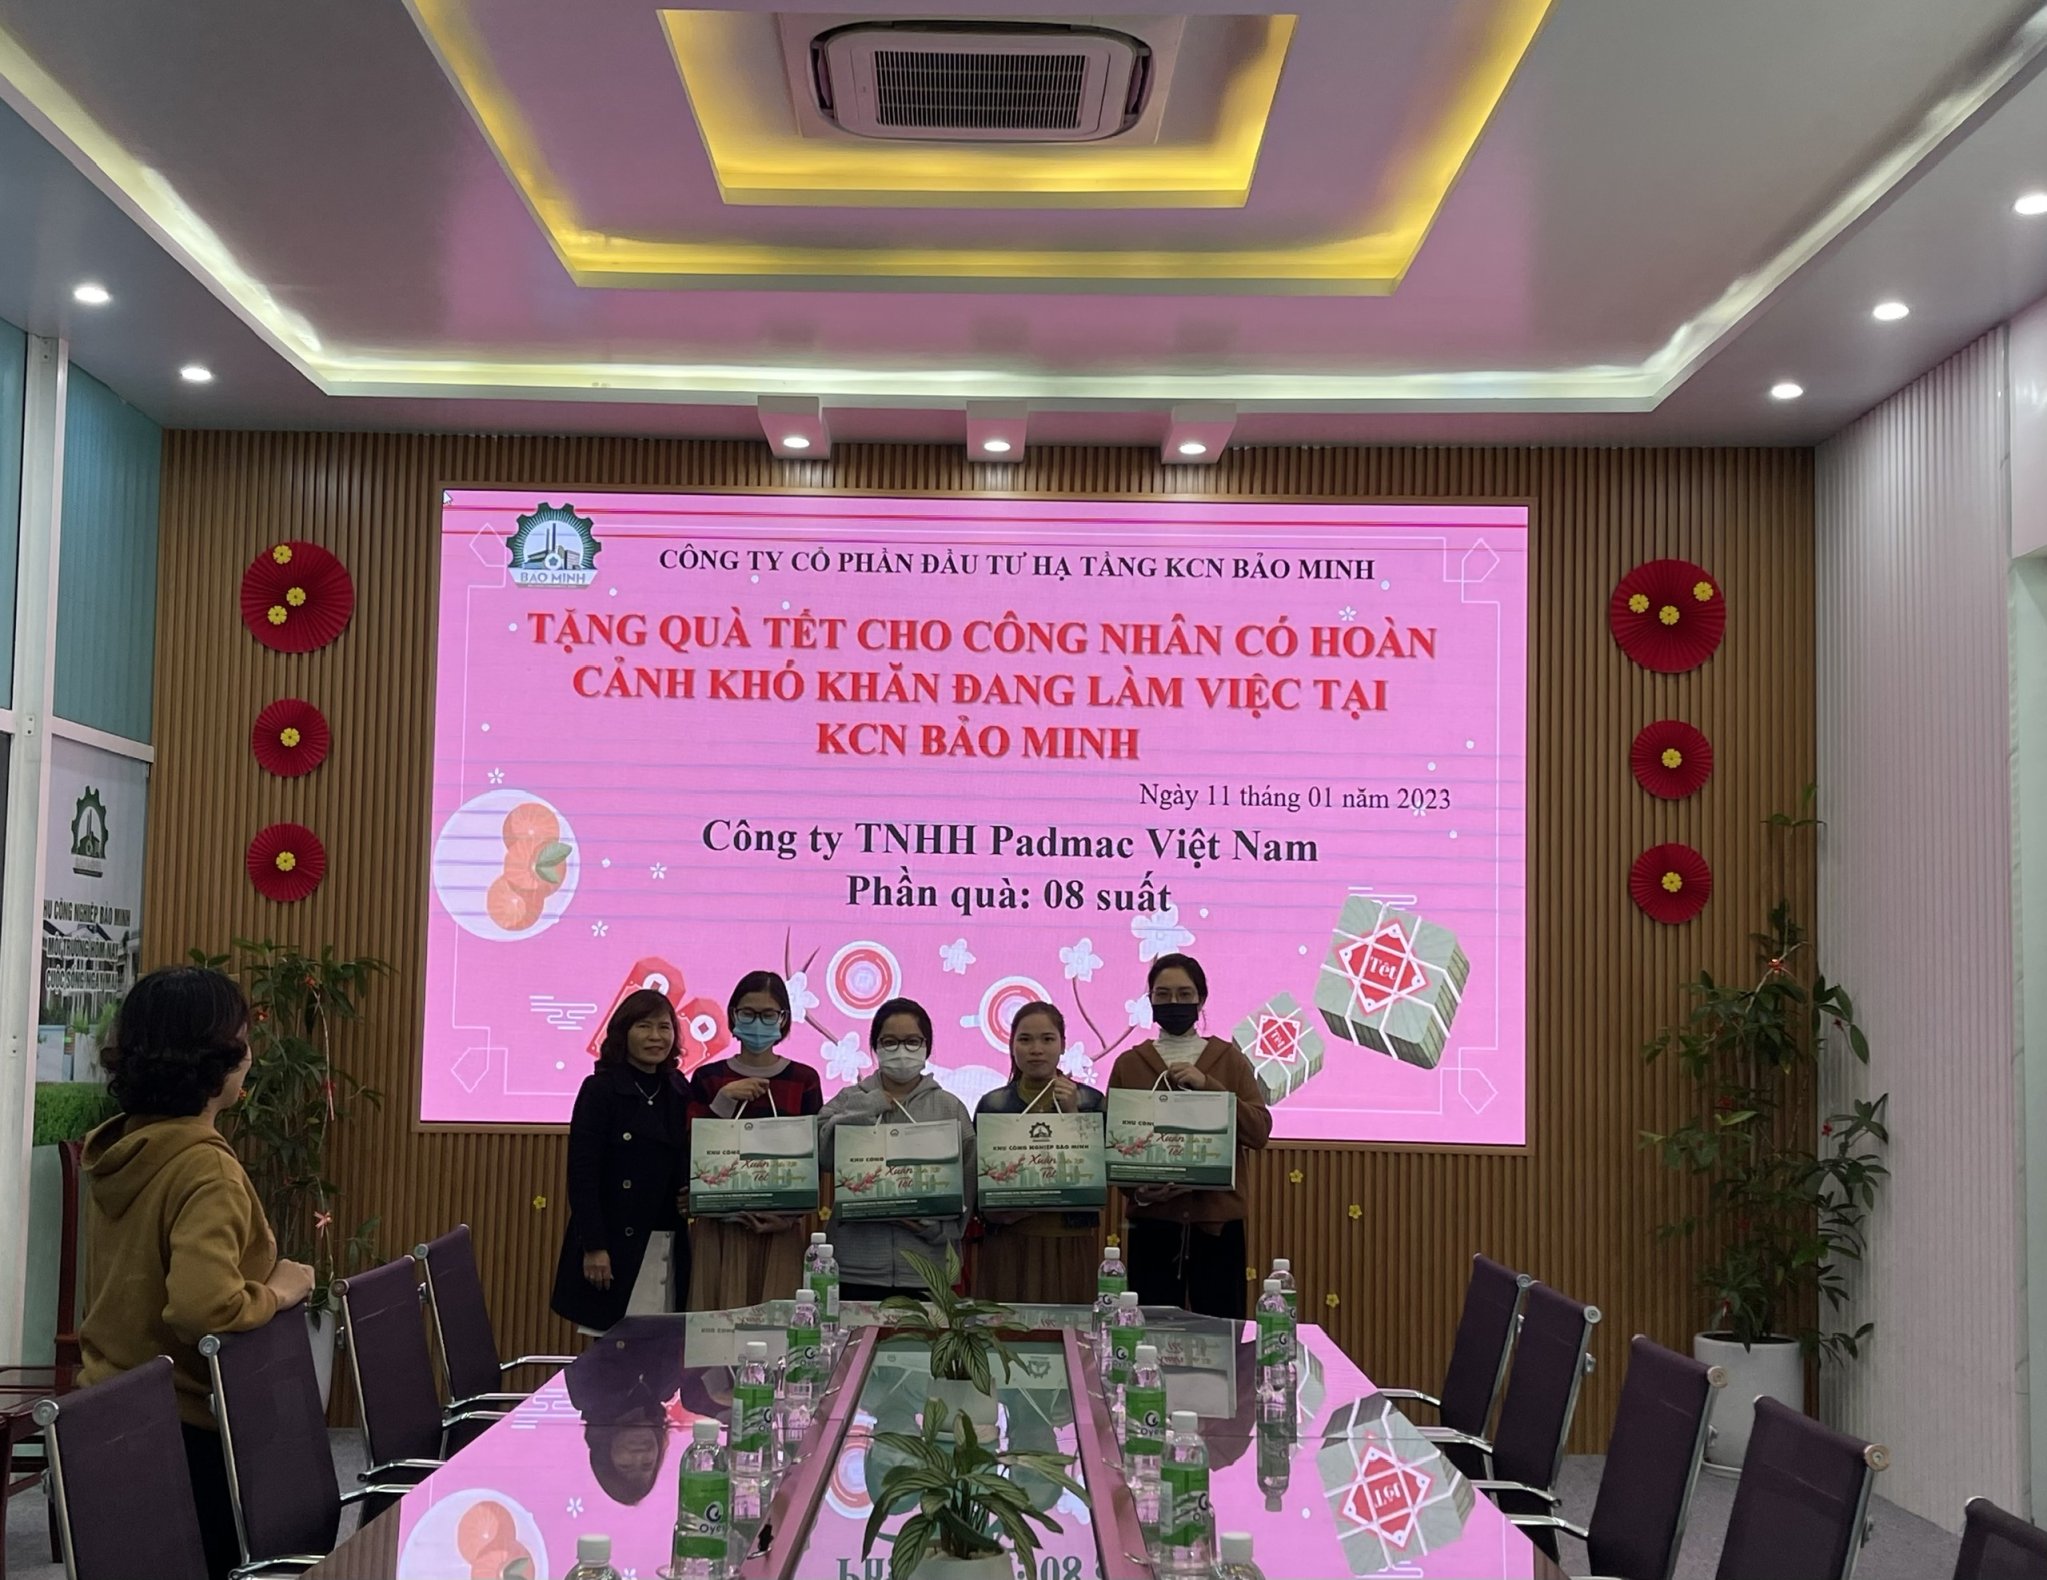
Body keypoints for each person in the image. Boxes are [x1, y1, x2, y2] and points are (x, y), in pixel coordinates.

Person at [78, 966, 317, 1580]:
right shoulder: (204, 1168)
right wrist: (278, 1291)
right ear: (216, 1059)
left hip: (111, 1412)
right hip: (186, 1433)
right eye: (243, 1038)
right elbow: (204, 1309)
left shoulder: (123, 1148)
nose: (251, 1054)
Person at [1106, 952, 1271, 1319]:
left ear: (1201, 999)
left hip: (1217, 1229)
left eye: (1184, 994)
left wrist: (1210, 1088)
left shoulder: (1229, 1059)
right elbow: (1114, 1145)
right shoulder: (1129, 1065)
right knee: (1151, 1334)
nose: (1174, 1003)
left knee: (1221, 1335)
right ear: (1149, 999)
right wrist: (1139, 1192)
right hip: (1152, 1228)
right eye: (1162, 995)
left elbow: (1259, 1131)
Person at [551, 989, 691, 1335]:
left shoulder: (678, 1089)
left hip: (666, 1239)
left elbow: (689, 1156)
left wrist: (694, 1194)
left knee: (661, 1346)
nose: (656, 1036)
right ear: (622, 1033)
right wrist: (594, 1246)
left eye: (664, 1027)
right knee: (614, 1349)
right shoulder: (600, 1090)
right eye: (644, 1026)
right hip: (614, 1242)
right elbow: (582, 1174)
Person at [818, 997, 973, 1300]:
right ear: (875, 1047)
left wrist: (937, 1229)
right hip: (854, 1267)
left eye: (912, 1041)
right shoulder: (849, 1099)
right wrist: (869, 1106)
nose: (901, 1050)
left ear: (927, 1047)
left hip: (928, 1268)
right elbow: (822, 1156)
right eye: (890, 1042)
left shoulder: (949, 1107)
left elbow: (968, 1183)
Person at [684, 971, 823, 1310]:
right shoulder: (708, 1077)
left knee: (780, 1326)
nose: (757, 1022)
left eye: (768, 1014)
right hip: (718, 1230)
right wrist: (723, 1100)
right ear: (733, 1015)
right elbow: (690, 1148)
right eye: (748, 1013)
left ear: (783, 1019)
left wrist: (788, 1218)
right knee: (715, 1327)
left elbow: (813, 1159)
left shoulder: (804, 1079)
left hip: (779, 1231)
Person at [972, 1001, 1103, 1305]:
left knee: (1069, 1329)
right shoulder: (993, 1105)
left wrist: (1072, 1116)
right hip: (1008, 1242)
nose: (1036, 1050)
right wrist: (995, 1209)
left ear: (1063, 1045)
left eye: (1047, 1039)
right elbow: (976, 1180)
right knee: (1006, 1327)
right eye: (1025, 1039)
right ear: (1012, 1045)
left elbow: (1099, 1178)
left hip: (1069, 1242)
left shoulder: (1090, 1101)